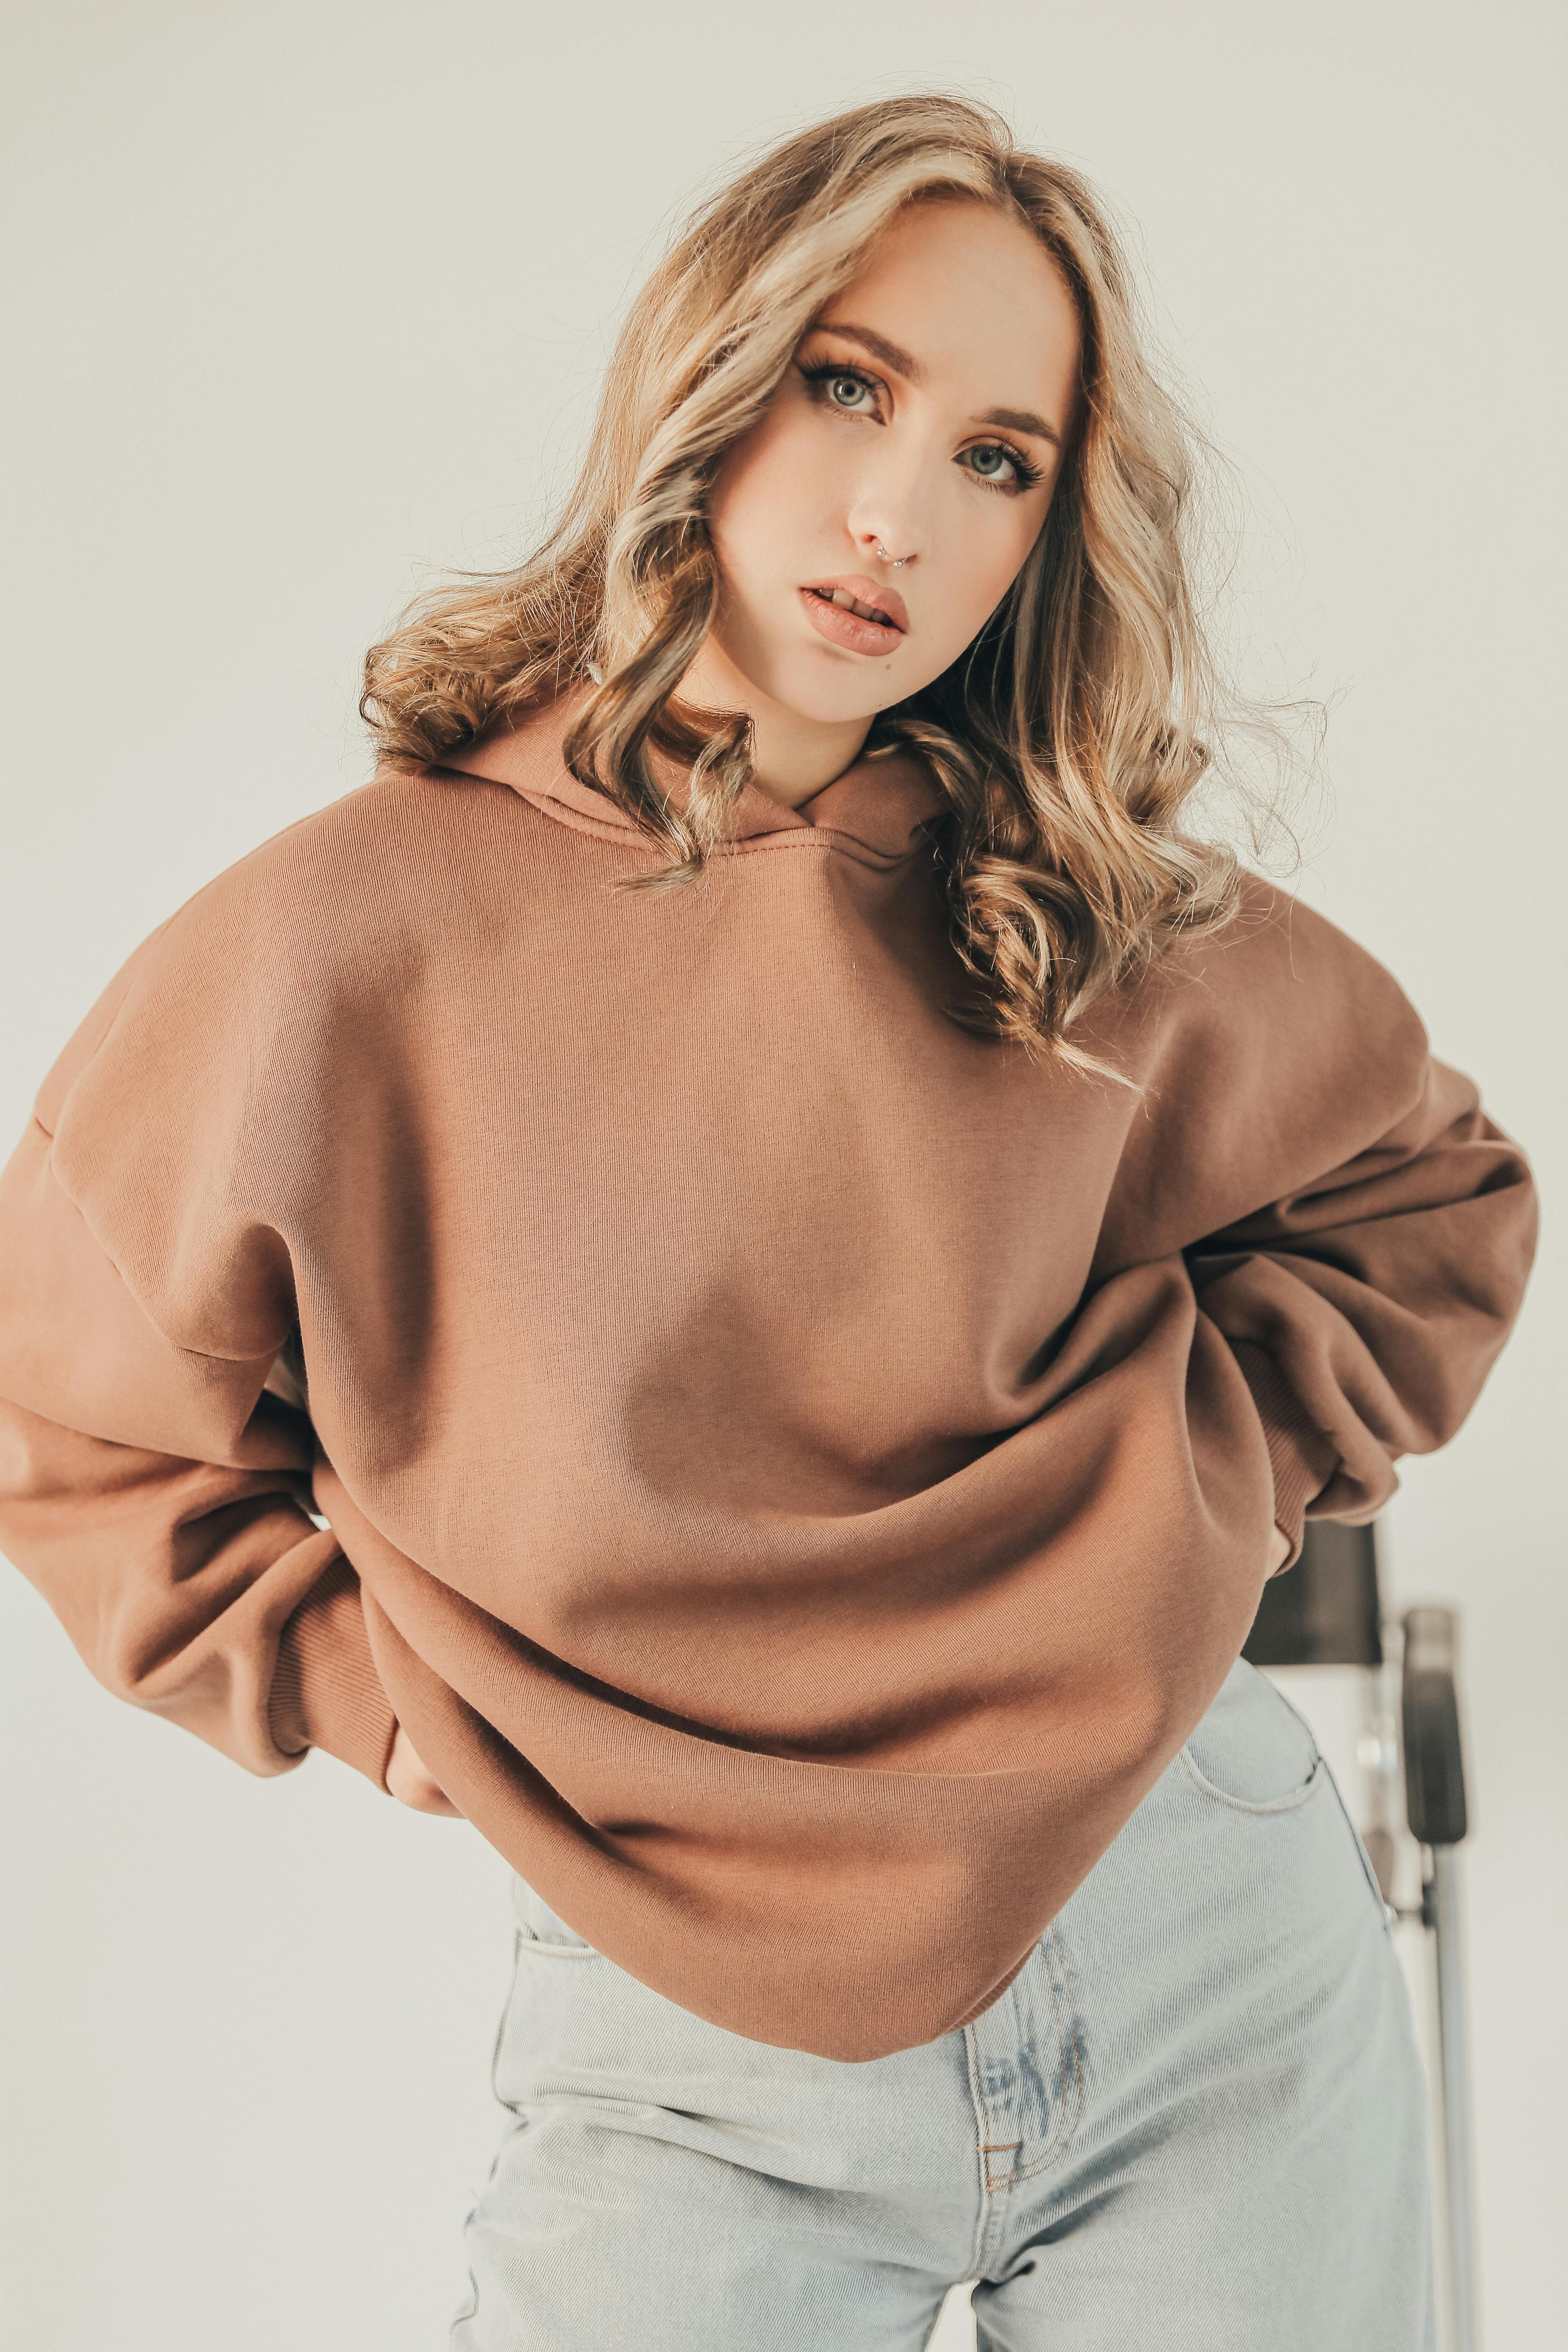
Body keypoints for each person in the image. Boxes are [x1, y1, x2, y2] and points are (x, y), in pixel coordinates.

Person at [0, 93, 1536, 2352]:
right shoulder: (352, 939)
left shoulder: (1069, 899)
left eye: (1001, 459)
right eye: (851, 383)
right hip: (680, 2029)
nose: (898, 513)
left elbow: (1433, 1201)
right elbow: (74, 1419)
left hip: (1202, 1931)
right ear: (714, 382)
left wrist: (1198, 1482)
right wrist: (377, 1700)